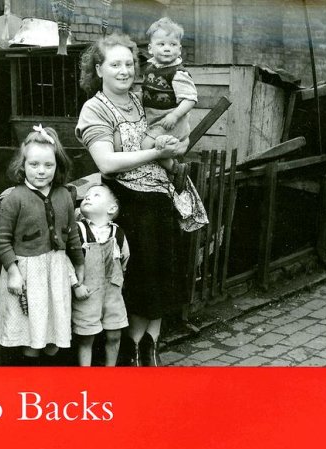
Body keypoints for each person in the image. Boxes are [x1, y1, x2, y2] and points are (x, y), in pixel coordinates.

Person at [76, 33, 190, 367]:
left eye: (129, 64)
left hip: (160, 198)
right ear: (99, 69)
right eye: (115, 64)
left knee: (163, 276)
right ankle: (133, 350)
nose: (124, 71)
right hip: (129, 204)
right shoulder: (95, 108)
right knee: (141, 279)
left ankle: (151, 346)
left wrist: (174, 146)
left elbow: (178, 133)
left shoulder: (142, 101)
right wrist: (156, 152)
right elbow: (106, 162)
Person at [0, 125, 85, 366]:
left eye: (48, 165)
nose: (42, 171)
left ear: (58, 165)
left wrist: (79, 265)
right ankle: (30, 378)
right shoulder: (14, 198)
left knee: (54, 333)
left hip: (56, 271)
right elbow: (2, 239)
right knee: (30, 333)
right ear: (22, 165)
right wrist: (13, 272)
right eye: (34, 164)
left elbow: (72, 235)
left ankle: (51, 377)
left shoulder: (64, 195)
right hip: (27, 273)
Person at [71, 184, 130, 367]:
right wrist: (76, 284)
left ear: (111, 208)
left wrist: (118, 281)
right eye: (86, 196)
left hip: (113, 293)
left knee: (114, 334)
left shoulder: (118, 234)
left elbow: (125, 258)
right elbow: (67, 261)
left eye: (96, 195)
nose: (88, 198)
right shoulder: (78, 230)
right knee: (86, 337)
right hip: (87, 292)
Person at [140, 18, 197, 154]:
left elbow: (190, 99)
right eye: (161, 44)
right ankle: (171, 163)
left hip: (170, 122)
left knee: (145, 146)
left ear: (179, 49)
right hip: (154, 120)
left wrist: (175, 116)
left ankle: (177, 152)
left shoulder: (178, 73)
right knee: (155, 147)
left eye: (173, 44)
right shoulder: (150, 68)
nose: (167, 48)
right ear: (150, 49)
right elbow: (146, 91)